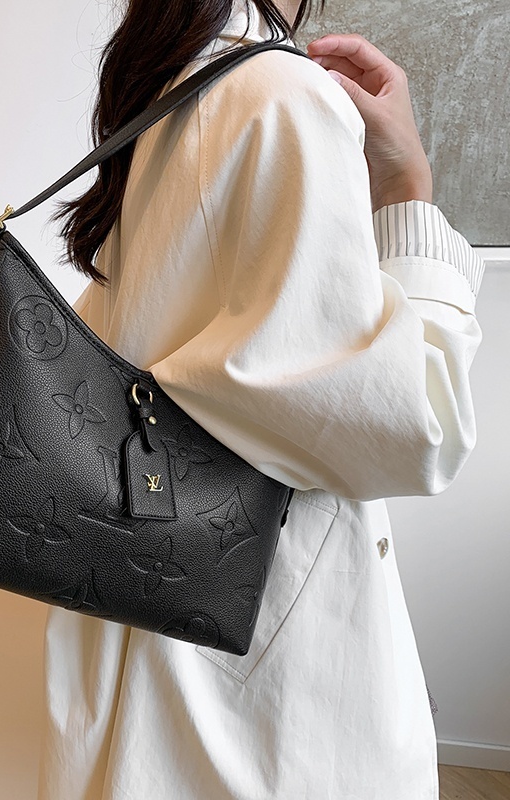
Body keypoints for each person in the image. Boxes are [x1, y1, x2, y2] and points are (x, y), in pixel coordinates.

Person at [36, 0, 485, 797]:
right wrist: (407, 188)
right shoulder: (277, 96)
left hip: (148, 612)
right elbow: (419, 429)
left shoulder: (171, 82)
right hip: (257, 678)